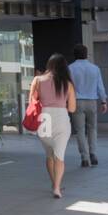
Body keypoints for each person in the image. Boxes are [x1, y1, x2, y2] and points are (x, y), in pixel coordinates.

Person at [31, 53, 76, 199]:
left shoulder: (37, 80)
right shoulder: (67, 84)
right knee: (59, 156)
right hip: (61, 119)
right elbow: (72, 109)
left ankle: (54, 183)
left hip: (44, 118)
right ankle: (57, 187)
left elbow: (32, 100)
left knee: (50, 155)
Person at [68, 43, 108, 167]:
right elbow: (100, 86)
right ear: (86, 54)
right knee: (92, 128)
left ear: (74, 55)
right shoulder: (95, 68)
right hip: (92, 102)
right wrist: (104, 101)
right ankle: (93, 153)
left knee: (80, 130)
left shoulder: (70, 68)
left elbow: (67, 88)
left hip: (77, 102)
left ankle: (84, 157)